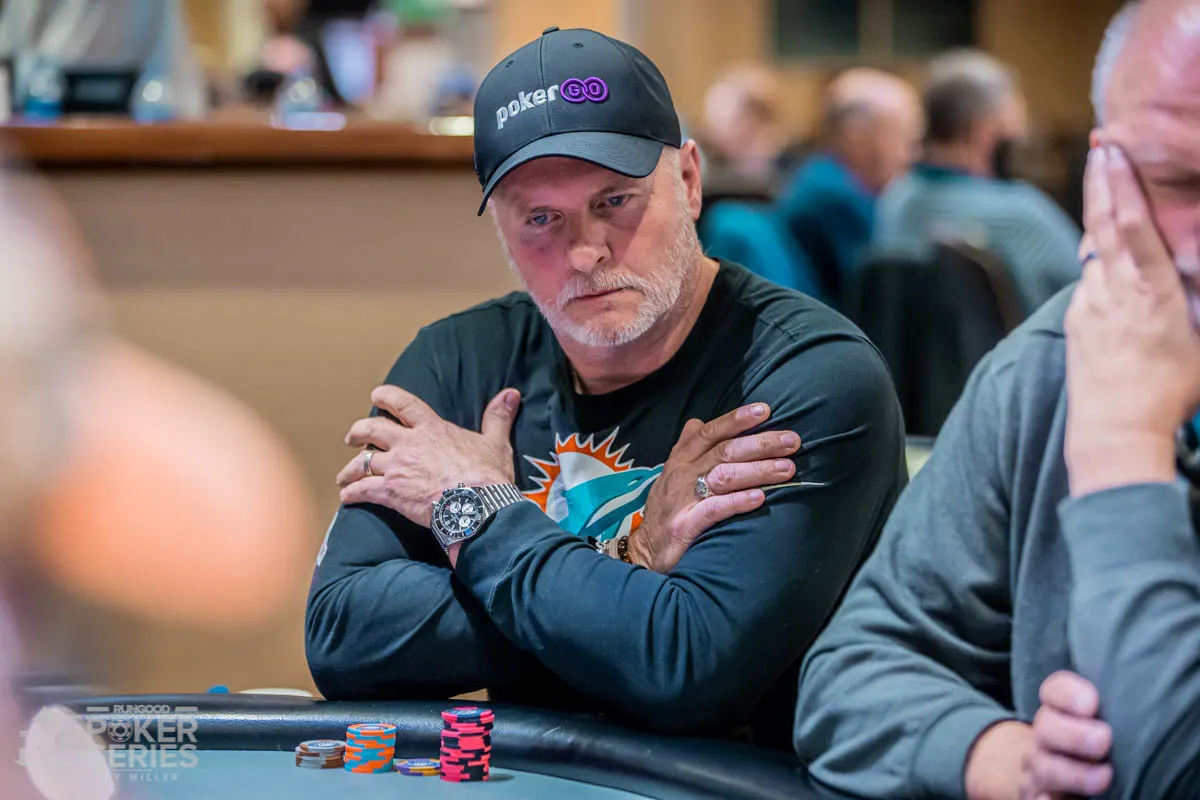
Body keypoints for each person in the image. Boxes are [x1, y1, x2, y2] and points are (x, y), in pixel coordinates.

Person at [306, 27, 906, 750]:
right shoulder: (458, 360)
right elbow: (342, 638)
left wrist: (478, 516)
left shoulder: (806, 376)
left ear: (689, 182)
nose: (586, 252)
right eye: (541, 219)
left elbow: (686, 666)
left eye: (616, 200)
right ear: (503, 232)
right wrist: (627, 560)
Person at [794, 2, 1200, 797]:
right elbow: (849, 678)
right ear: (1103, 172)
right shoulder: (1042, 362)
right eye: (1178, 180)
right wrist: (1004, 758)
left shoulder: (899, 200)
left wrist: (1122, 443)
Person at [871, 49, 1082, 315]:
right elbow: (1088, 291)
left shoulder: (894, 199)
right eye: (1014, 129)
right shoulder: (1024, 213)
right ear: (984, 128)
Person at [777, 68, 921, 301]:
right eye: (902, 137)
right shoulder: (836, 198)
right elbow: (880, 296)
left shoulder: (821, 176)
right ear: (856, 134)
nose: (910, 155)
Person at [701, 62, 806, 193]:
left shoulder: (796, 172)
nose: (711, 127)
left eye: (721, 115)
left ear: (753, 116)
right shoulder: (717, 173)